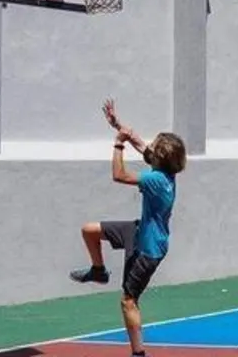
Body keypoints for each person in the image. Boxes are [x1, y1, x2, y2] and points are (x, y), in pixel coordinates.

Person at [71, 99, 187, 357]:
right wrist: (119, 125)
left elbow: (119, 175)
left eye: (155, 148)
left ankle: (138, 354)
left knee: (128, 301)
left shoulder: (157, 180)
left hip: (149, 249)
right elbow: (141, 144)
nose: (150, 148)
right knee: (89, 230)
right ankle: (99, 270)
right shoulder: (165, 171)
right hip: (137, 231)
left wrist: (118, 143)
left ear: (161, 157)